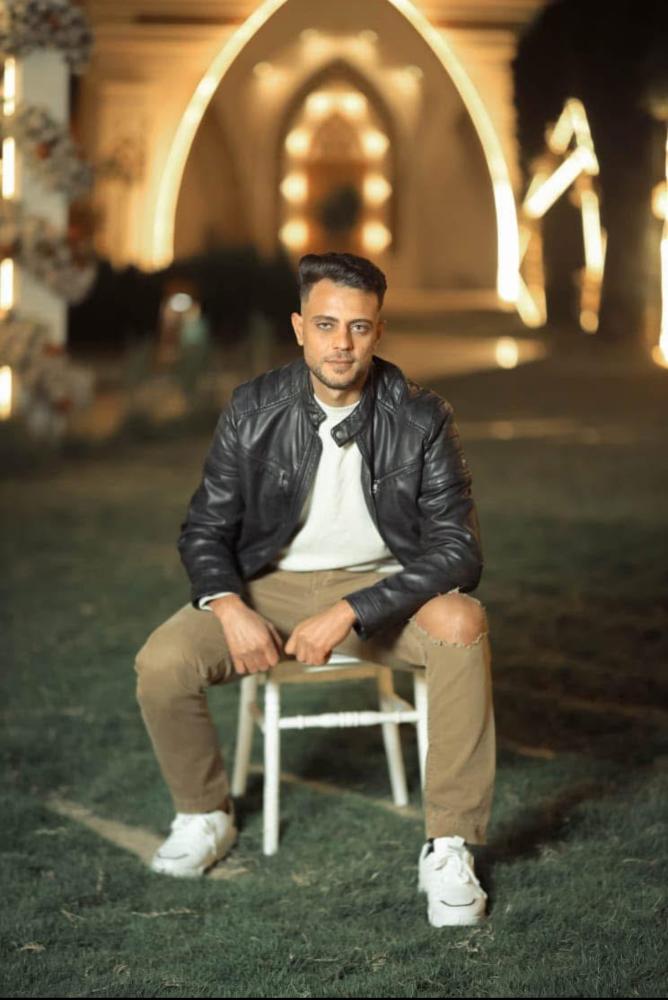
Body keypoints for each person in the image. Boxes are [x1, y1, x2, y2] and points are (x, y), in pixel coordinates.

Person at [134, 251, 496, 928]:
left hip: (385, 592)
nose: (342, 344)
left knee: (461, 622)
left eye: (359, 327)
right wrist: (230, 605)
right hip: (268, 586)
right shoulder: (253, 407)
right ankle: (204, 814)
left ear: (379, 330)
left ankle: (450, 845)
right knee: (162, 662)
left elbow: (458, 549)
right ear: (300, 327)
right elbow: (205, 528)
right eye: (326, 325)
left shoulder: (422, 417)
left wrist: (352, 610)